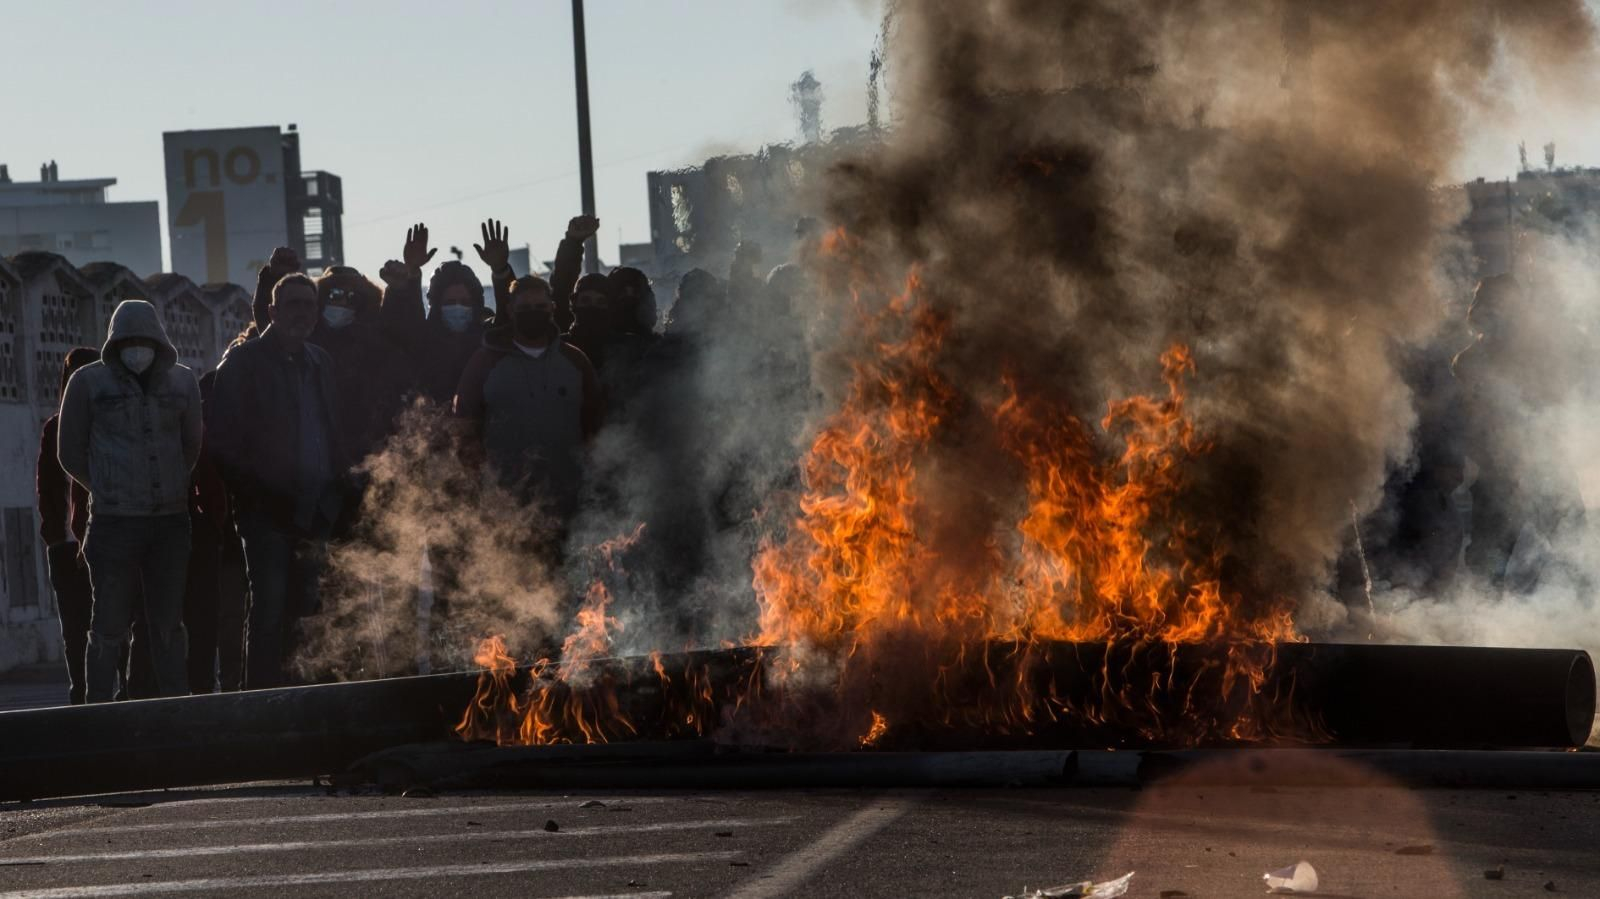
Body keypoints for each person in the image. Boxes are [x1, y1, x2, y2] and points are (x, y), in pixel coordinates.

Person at [57, 301, 203, 701]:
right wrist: (108, 487)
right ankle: (98, 712)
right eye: (130, 340)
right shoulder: (88, 383)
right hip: (113, 522)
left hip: (171, 521)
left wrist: (167, 483)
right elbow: (69, 452)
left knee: (169, 625)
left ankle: (177, 708)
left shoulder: (182, 382)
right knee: (107, 625)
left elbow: (191, 445)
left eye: (145, 340)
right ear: (115, 340)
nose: (138, 347)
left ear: (158, 339)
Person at [209, 274, 348, 688]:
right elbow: (223, 442)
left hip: (315, 509)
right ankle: (261, 706)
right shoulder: (244, 362)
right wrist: (256, 497)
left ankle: (303, 703)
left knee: (308, 614)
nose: (302, 313)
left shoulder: (320, 361)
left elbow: (331, 429)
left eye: (309, 305)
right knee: (268, 611)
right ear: (272, 311)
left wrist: (339, 495)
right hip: (266, 515)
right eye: (293, 304)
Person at [453, 273, 602, 522]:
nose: (533, 312)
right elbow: (464, 426)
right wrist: (480, 486)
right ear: (511, 311)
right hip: (504, 505)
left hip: (569, 503)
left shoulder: (575, 360)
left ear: (553, 309)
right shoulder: (485, 362)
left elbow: (595, 423)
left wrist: (591, 482)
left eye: (540, 307)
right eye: (525, 308)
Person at [36, 347, 100, 704]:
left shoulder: (104, 424)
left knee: (96, 628)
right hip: (69, 547)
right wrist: (60, 540)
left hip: (98, 542)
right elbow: (48, 489)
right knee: (78, 631)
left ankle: (96, 695)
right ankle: (84, 696)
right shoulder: (56, 428)